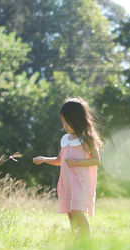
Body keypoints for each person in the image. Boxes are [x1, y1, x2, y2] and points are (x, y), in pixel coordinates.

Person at [33, 97, 102, 239]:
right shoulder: (66, 139)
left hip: (80, 183)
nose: (64, 125)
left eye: (67, 122)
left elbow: (96, 161)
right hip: (67, 183)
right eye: (63, 122)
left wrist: (77, 162)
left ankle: (86, 244)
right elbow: (60, 160)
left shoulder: (87, 139)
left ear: (77, 120)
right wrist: (45, 159)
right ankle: (76, 242)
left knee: (77, 211)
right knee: (70, 214)